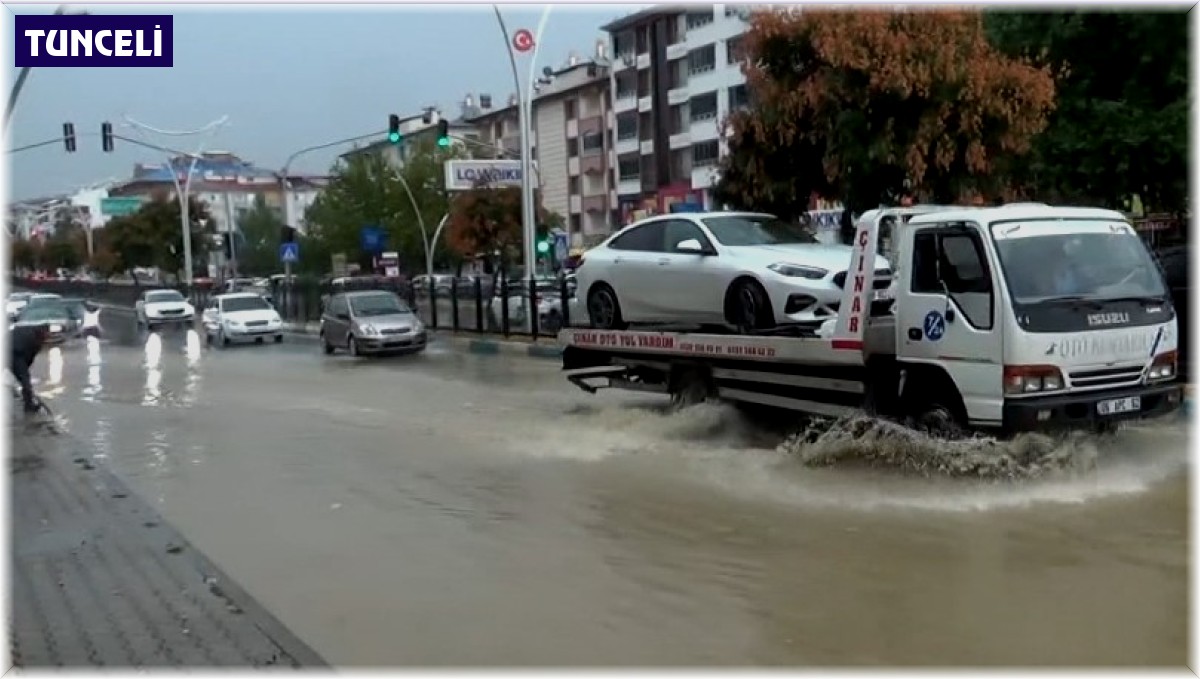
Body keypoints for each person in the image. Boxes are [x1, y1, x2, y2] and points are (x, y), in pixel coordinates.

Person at [10, 323, 49, 414]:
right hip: (15, 353)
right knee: (25, 381)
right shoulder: (36, 340)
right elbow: (29, 358)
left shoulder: (25, 329)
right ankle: (29, 406)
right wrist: (23, 374)